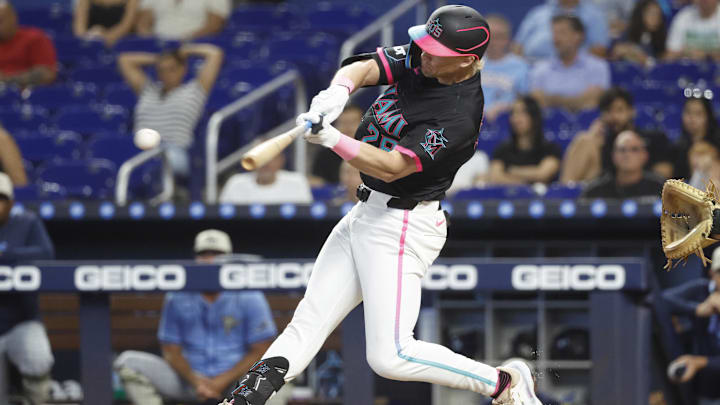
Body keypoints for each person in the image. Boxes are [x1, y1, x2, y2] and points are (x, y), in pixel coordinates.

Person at [220, 5, 542, 405]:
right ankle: (244, 399)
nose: (422, 54)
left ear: (467, 62)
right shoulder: (427, 57)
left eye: (434, 52)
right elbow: (367, 66)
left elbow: (393, 167)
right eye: (424, 45)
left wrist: (333, 140)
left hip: (403, 224)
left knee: (391, 356)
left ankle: (502, 384)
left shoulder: (457, 115)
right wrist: (337, 92)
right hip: (364, 213)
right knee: (308, 321)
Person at [115, 229, 279, 405]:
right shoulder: (178, 295)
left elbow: (261, 348)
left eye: (217, 254)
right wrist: (197, 382)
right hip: (188, 381)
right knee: (128, 363)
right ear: (195, 259)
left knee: (276, 372)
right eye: (204, 254)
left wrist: (220, 382)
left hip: (237, 381)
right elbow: (171, 351)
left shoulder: (248, 294)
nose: (209, 260)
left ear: (230, 260)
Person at [118, 43, 224, 180]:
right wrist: (159, 59)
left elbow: (215, 54)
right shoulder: (148, 90)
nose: (166, 74)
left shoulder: (195, 91)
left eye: (172, 69)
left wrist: (185, 51)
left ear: (183, 69)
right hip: (138, 148)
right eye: (162, 70)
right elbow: (124, 60)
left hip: (173, 150)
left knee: (155, 164)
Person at [0, 172, 55, 405]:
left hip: (20, 322)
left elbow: (45, 255)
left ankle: (37, 399)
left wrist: (4, 254)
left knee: (38, 356)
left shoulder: (26, 222)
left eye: (0, 198)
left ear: (11, 203)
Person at [560, 87, 673, 184]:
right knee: (584, 140)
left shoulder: (654, 138)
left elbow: (663, 174)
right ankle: (565, 196)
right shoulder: (603, 143)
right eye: (608, 111)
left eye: (619, 110)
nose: (614, 117)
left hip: (646, 193)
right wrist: (596, 143)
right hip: (608, 194)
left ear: (632, 111)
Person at [663, 246, 720, 402]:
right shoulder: (702, 289)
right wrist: (696, 309)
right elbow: (662, 300)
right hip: (704, 385)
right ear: (712, 274)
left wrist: (699, 362)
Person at [529, 15, 611, 112]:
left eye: (562, 33)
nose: (556, 39)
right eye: (554, 33)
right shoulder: (539, 69)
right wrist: (578, 100)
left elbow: (594, 101)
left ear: (578, 36)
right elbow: (536, 102)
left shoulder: (598, 67)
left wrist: (552, 100)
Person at [488, 96, 562, 185]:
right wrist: (525, 183)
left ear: (534, 117)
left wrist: (512, 171)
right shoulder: (502, 149)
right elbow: (495, 177)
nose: (516, 118)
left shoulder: (550, 148)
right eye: (513, 113)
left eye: (522, 113)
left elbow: (543, 174)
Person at [513, 0, 610, 60]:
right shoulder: (538, 12)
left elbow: (599, 50)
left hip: (573, 69)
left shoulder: (594, 15)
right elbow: (517, 46)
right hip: (531, 67)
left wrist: (568, 62)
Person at [580, 130, 665, 198]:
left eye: (634, 149)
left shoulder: (661, 189)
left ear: (645, 156)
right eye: (622, 150)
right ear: (613, 156)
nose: (627, 154)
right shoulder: (594, 192)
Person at [481, 15, 530, 123]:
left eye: (498, 37)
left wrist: (507, 107)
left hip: (509, 121)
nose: (493, 42)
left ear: (508, 39)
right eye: (489, 36)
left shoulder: (521, 66)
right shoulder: (471, 64)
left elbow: (526, 101)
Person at [0, 0, 57, 87]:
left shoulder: (34, 38)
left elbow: (47, 74)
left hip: (26, 95)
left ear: (13, 18)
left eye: (0, 21)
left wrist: (7, 79)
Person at [219, 153, 313, 205]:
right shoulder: (236, 183)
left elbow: (307, 220)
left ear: (281, 160)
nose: (265, 164)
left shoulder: (296, 182)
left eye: (271, 158)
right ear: (251, 161)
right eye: (260, 157)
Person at [310, 105, 364, 185]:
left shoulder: (373, 151)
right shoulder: (325, 154)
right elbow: (315, 181)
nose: (348, 128)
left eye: (352, 123)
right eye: (343, 123)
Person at [673, 95, 720, 179]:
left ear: (708, 117)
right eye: (688, 112)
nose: (692, 118)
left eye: (698, 114)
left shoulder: (717, 143)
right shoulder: (677, 147)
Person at [136, 0, 231, 40]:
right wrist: (153, 42)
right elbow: (142, 24)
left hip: (197, 44)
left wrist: (185, 41)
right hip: (159, 48)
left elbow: (214, 25)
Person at [610, 0, 668, 64]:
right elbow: (616, 52)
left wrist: (644, 59)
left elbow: (662, 63)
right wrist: (630, 51)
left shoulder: (661, 38)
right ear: (641, 14)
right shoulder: (629, 33)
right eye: (652, 13)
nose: (655, 18)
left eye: (658, 14)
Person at [73, 0, 139, 47]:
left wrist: (104, 39)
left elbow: (126, 25)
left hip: (120, 43)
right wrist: (88, 39)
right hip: (90, 41)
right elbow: (79, 26)